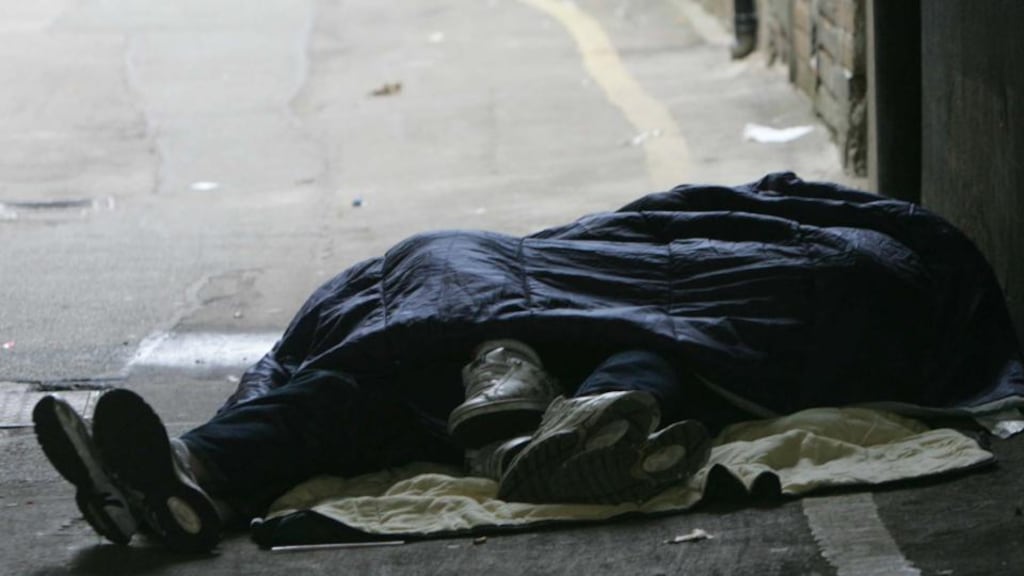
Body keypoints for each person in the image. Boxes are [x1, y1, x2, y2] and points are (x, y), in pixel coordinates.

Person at [33, 340, 711, 552]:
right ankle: (175, 485)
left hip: (524, 371)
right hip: (427, 393)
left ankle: (549, 440)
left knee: (643, 351)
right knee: (332, 387)